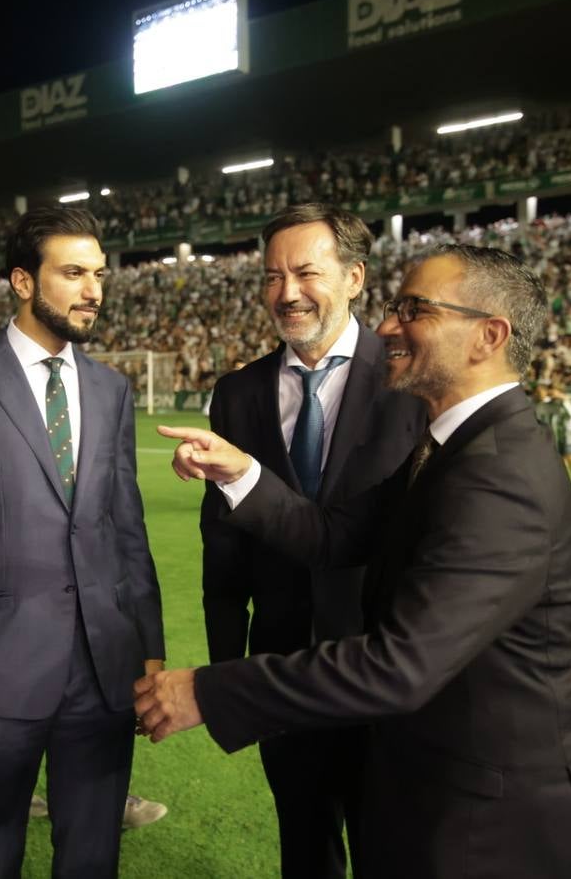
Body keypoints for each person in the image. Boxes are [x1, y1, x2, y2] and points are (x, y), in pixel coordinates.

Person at [141, 244, 571, 879]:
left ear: (489, 335)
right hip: (436, 794)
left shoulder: (499, 473)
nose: (389, 325)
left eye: (414, 309)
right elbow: (332, 534)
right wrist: (242, 473)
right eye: (394, 307)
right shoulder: (450, 449)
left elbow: (400, 666)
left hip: (494, 829)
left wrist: (207, 690)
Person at [0, 206, 164, 878]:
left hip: (105, 670)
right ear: (23, 281)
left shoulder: (112, 390)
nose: (94, 290)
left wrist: (150, 650)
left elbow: (126, 530)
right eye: (74, 273)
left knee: (92, 858)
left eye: (99, 274)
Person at [200, 204, 423, 877]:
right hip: (280, 665)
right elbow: (223, 540)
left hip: (390, 664)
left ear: (354, 277)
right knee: (305, 845)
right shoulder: (237, 393)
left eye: (305, 272)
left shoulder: (412, 375)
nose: (286, 292)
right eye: (272, 276)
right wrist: (226, 666)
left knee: (398, 849)